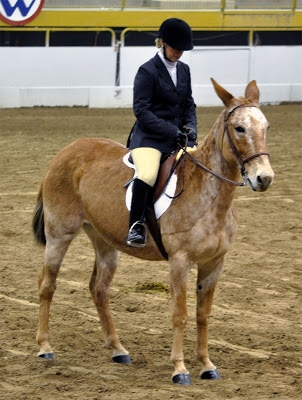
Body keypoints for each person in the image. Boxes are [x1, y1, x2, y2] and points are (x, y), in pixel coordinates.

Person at [126, 18, 198, 248]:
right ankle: (135, 225)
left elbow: (188, 104)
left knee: (201, 168)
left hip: (178, 138)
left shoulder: (184, 70)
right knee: (147, 174)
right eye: (176, 48)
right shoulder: (147, 71)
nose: (179, 53)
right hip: (150, 138)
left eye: (182, 50)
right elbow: (142, 111)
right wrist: (171, 130)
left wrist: (191, 126)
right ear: (163, 43)